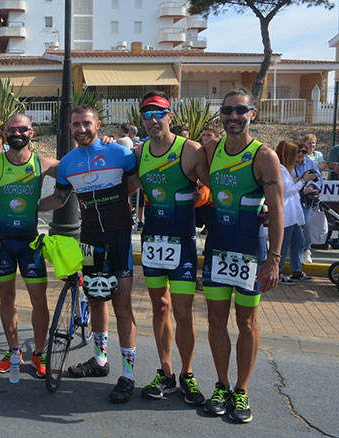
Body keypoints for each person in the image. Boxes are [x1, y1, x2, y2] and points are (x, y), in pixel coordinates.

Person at [39, 105, 138, 404]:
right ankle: (99, 360)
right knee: (96, 299)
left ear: (98, 124)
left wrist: (121, 205)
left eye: (86, 123)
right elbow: (59, 198)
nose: (81, 129)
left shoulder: (120, 154)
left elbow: (133, 184)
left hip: (119, 237)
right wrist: (25, 206)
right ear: (69, 127)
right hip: (91, 238)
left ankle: (129, 375)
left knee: (122, 305)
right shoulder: (68, 163)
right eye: (75, 124)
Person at [201, 88, 283, 423]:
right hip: (217, 248)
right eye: (227, 110)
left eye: (240, 110)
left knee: (246, 321)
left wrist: (274, 259)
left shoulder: (264, 156)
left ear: (253, 113)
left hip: (250, 251)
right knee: (216, 320)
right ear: (220, 114)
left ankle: (241, 390)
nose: (233, 116)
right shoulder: (211, 148)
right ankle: (221, 385)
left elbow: (277, 212)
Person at [129, 91, 209, 405]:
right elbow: (126, 186)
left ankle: (187, 374)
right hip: (152, 240)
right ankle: (166, 371)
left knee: (183, 312)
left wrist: (202, 195)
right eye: (146, 114)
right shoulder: (138, 153)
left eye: (158, 113)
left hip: (183, 243)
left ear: (170, 116)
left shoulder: (189, 151)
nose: (152, 120)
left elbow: (212, 185)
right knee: (159, 308)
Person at [0, 114, 58, 377]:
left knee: (38, 300)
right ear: (6, 133)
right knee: (6, 299)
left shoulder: (42, 163)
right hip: (1, 243)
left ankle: (39, 354)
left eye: (22, 129)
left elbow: (74, 176)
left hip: (30, 243)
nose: (17, 133)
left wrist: (51, 202)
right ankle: (13, 352)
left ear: (31, 133)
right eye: (12, 129)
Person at [276, 141, 315, 285]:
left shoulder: (287, 169)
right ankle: (277, 272)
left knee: (298, 242)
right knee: (283, 245)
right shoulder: (279, 169)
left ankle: (297, 271)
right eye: (295, 153)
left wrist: (301, 180)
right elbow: (287, 191)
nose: (298, 156)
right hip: (287, 213)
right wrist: (303, 181)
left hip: (294, 214)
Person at [293, 143, 323, 265]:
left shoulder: (309, 163)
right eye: (298, 151)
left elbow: (319, 177)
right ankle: (296, 253)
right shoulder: (288, 164)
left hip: (306, 200)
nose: (301, 154)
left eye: (304, 152)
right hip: (293, 199)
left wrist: (312, 186)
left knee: (306, 223)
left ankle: (306, 249)